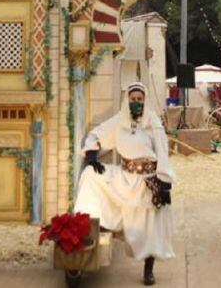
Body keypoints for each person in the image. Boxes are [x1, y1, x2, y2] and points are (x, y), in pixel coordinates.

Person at [75, 81, 176, 285]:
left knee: (150, 227)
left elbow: (163, 154)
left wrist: (163, 181)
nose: (136, 102)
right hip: (125, 176)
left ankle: (148, 270)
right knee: (90, 175)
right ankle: (88, 228)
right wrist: (93, 155)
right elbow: (97, 134)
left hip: (148, 181)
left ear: (145, 100)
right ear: (127, 100)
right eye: (133, 99)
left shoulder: (153, 123)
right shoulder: (119, 121)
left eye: (140, 99)